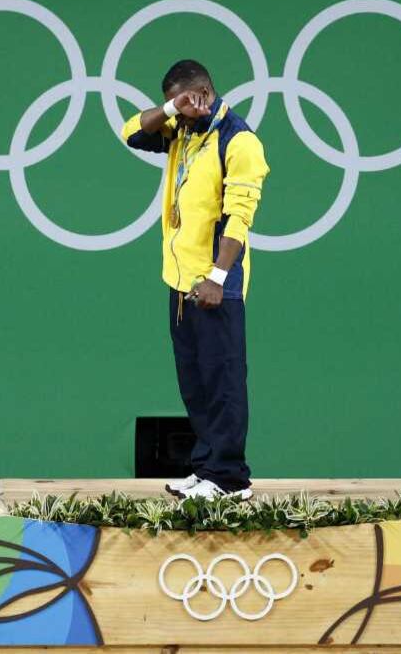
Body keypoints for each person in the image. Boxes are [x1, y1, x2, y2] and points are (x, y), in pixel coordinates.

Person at [122, 60, 269, 501]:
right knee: (195, 381)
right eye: (177, 104)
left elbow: (239, 218)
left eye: (187, 100)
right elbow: (131, 131)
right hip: (181, 281)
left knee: (223, 380)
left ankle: (229, 478)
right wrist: (171, 107)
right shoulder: (183, 130)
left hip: (214, 284)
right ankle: (207, 467)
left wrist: (217, 277)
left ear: (205, 90)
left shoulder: (239, 141)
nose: (181, 111)